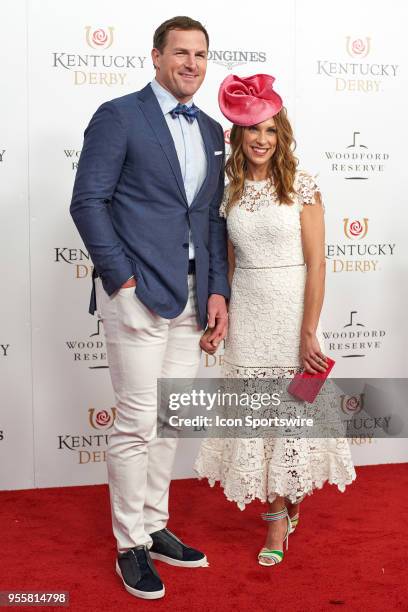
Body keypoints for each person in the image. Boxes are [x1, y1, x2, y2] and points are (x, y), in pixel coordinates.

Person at [70, 16, 229, 600]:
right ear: (157, 56)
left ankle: (155, 524)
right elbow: (88, 202)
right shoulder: (120, 116)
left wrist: (217, 292)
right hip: (137, 294)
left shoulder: (213, 127)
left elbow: (210, 218)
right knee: (137, 423)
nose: (191, 63)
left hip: (193, 295)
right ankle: (129, 543)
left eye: (201, 55)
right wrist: (122, 281)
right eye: (181, 53)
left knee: (169, 422)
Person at [195, 73, 356, 567]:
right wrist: (219, 318)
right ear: (238, 136)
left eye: (270, 130)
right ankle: (286, 497)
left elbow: (317, 262)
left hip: (293, 316)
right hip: (249, 313)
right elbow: (227, 265)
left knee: (292, 412)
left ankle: (277, 519)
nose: (261, 139)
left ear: (280, 135)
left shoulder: (302, 185)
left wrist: (309, 330)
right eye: (252, 130)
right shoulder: (229, 191)